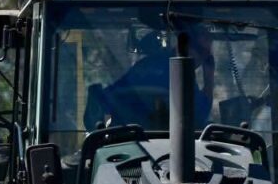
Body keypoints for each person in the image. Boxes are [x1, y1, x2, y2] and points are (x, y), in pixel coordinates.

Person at [87, 25, 215, 131]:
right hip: (148, 141)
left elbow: (107, 99)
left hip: (127, 138)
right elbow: (199, 116)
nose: (203, 59)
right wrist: (209, 79)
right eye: (201, 51)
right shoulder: (181, 74)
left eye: (207, 56)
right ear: (183, 45)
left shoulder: (146, 65)